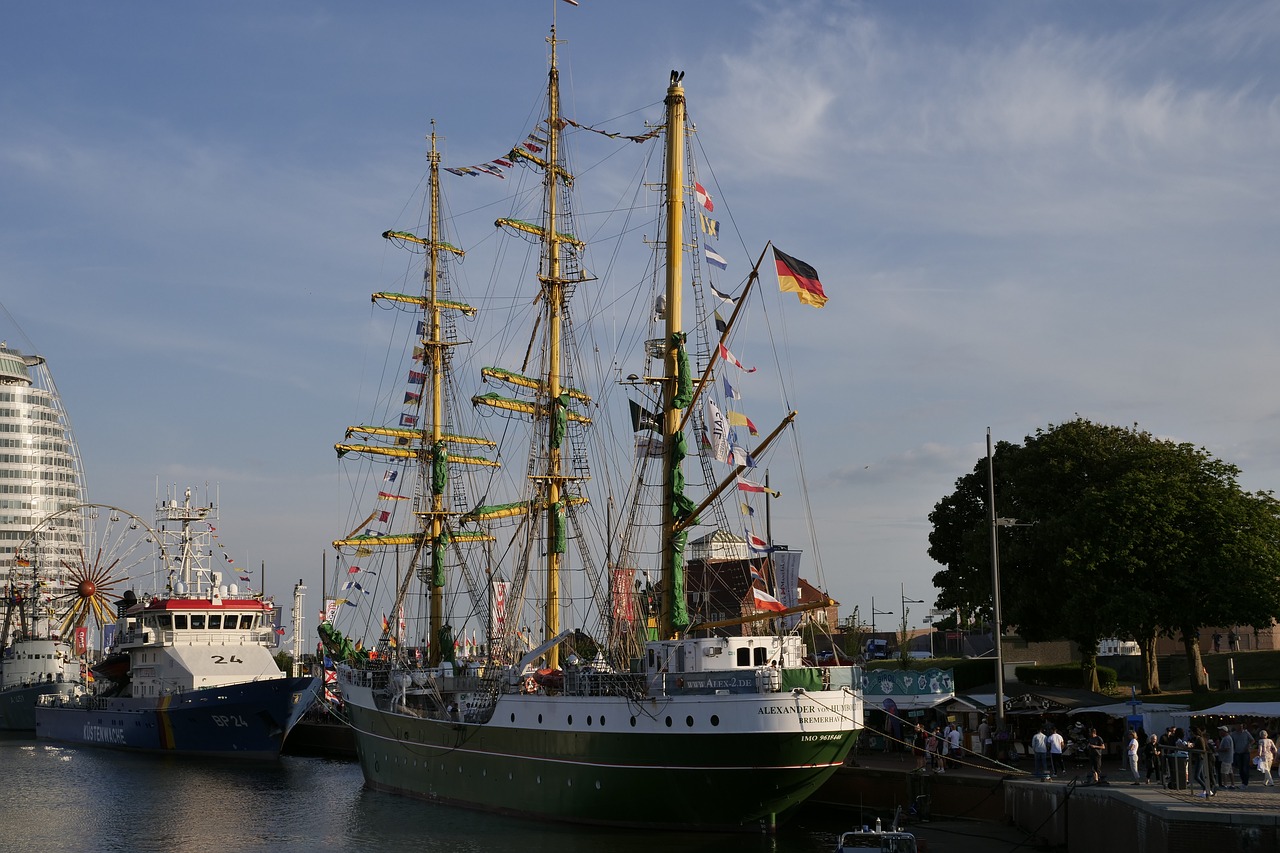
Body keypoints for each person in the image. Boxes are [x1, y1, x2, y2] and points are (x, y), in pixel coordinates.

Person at [1190, 727, 1215, 797]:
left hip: (1200, 757)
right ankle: (1205, 790)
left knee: (1196, 776)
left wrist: (1192, 748)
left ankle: (1207, 789)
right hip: (1199, 757)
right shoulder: (1199, 739)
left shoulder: (1199, 739)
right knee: (1201, 775)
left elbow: (1202, 749)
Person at [1234, 722, 1256, 787]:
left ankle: (1245, 782)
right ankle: (1243, 781)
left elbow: (1252, 740)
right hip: (1238, 752)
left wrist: (1248, 746)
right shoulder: (1233, 734)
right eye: (1239, 726)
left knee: (1245, 768)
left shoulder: (1246, 733)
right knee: (1240, 768)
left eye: (1241, 726)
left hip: (1245, 753)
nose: (1241, 728)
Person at [1216, 725, 1236, 790]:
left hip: (1226, 758)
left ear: (1224, 731)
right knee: (1230, 772)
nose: (1219, 732)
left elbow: (1227, 749)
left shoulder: (1226, 738)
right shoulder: (1227, 738)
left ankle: (1225, 785)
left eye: (1220, 731)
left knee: (1224, 772)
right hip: (1229, 758)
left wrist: (1218, 750)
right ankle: (1232, 784)